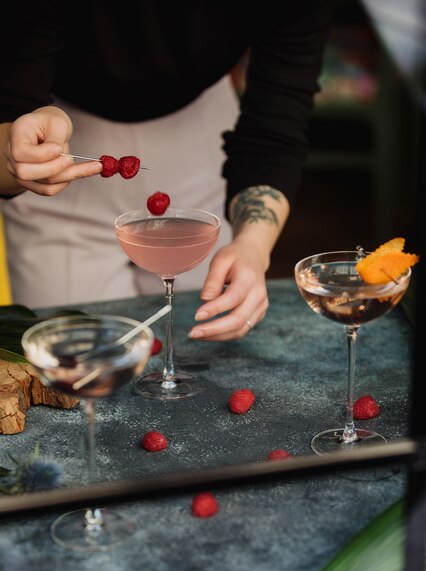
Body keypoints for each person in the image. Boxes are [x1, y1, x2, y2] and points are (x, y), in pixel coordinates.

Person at [0, 1, 333, 341]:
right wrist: (19, 154)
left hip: (204, 143)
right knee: (78, 362)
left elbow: (276, 123)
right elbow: (10, 115)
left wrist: (253, 245)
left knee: (196, 350)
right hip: (63, 147)